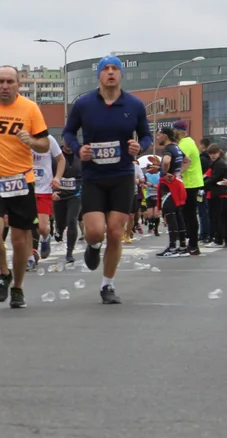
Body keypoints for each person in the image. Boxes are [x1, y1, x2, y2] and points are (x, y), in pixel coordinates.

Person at [62, 56, 151, 305]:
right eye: (106, 69)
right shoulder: (84, 104)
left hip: (122, 176)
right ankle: (92, 247)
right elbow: (68, 131)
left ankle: (107, 284)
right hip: (94, 176)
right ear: (99, 76)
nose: (110, 73)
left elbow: (146, 135)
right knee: (94, 231)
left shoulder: (134, 104)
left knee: (114, 232)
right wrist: (78, 149)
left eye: (115, 69)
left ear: (121, 75)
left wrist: (139, 147)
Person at [0, 65, 52, 309]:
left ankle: (17, 287)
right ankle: (4, 272)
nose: (5, 86)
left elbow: (45, 145)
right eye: (0, 82)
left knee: (20, 241)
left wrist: (32, 141)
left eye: (10, 82)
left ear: (18, 84)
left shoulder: (30, 108)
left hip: (21, 181)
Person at [29, 132, 65, 265]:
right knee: (27, 225)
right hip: (26, 188)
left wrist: (57, 178)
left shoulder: (48, 140)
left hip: (44, 189)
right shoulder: (21, 139)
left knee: (43, 227)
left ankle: (45, 237)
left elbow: (61, 159)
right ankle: (30, 256)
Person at [154, 128, 189, 257]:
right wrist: (179, 173)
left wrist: (164, 173)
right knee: (178, 214)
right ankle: (183, 246)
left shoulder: (168, 148)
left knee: (170, 214)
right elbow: (187, 160)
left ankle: (173, 247)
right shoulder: (177, 148)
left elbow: (167, 161)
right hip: (178, 182)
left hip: (169, 186)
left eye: (158, 135)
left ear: (165, 135)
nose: (157, 138)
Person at [172, 121, 202, 255]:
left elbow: (179, 160)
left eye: (174, 130)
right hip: (190, 182)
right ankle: (190, 243)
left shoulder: (185, 144)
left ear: (179, 131)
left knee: (189, 215)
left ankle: (193, 245)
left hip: (189, 183)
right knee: (187, 215)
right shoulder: (188, 142)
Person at [51, 141, 82, 263]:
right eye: (67, 141)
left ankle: (69, 252)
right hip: (58, 195)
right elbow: (48, 174)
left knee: (72, 220)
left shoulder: (80, 155)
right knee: (61, 222)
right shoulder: (55, 156)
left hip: (75, 195)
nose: (69, 144)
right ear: (63, 141)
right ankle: (59, 229)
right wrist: (51, 191)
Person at [203, 144, 227, 247]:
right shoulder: (214, 163)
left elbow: (213, 178)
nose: (212, 155)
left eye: (214, 153)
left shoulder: (219, 164)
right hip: (215, 192)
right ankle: (217, 238)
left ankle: (219, 239)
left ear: (218, 153)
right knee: (215, 217)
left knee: (217, 217)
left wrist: (202, 185)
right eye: (210, 154)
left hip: (218, 192)